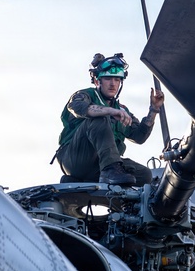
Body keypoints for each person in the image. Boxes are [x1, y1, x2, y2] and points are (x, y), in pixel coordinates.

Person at [55, 52, 164, 185]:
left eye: (117, 79)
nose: (113, 84)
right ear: (97, 81)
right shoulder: (86, 95)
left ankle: (88, 178)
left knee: (144, 175)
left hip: (99, 166)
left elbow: (139, 136)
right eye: (108, 79)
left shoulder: (122, 110)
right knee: (100, 118)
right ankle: (108, 171)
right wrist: (109, 111)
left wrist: (154, 110)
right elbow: (77, 107)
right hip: (74, 159)